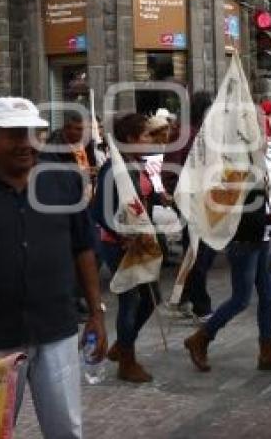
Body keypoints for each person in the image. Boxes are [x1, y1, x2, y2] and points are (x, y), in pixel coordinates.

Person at [0, 97, 106, 438]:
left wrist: (97, 313)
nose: (26, 143)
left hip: (57, 332)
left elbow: (83, 249)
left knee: (66, 430)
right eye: (14, 134)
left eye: (33, 132)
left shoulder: (63, 181)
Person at [182, 175, 271, 372]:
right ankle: (200, 338)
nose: (266, 144)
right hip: (243, 243)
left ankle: (268, 351)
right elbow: (234, 215)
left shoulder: (258, 168)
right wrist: (267, 219)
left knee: (268, 298)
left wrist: (269, 226)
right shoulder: (237, 171)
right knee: (241, 299)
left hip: (261, 240)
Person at [92, 113, 159, 383]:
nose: (150, 140)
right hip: (119, 245)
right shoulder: (113, 168)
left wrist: (160, 197)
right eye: (146, 135)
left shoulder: (134, 163)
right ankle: (127, 361)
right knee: (130, 301)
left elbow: (140, 196)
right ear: (131, 139)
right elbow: (98, 210)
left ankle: (123, 344)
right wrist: (120, 234)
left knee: (152, 297)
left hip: (141, 241)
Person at [166, 92, 217, 321]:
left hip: (207, 200)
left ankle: (183, 296)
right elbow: (171, 169)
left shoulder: (206, 134)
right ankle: (201, 305)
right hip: (192, 201)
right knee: (198, 253)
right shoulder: (185, 134)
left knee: (199, 252)